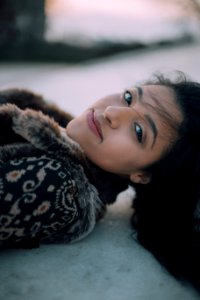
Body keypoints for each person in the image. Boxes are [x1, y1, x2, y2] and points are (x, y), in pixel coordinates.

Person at [0, 71, 200, 290]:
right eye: (129, 98)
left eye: (138, 130)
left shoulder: (59, 185)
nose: (113, 112)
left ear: (142, 175)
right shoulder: (57, 126)